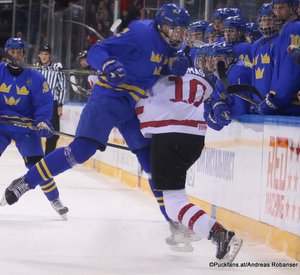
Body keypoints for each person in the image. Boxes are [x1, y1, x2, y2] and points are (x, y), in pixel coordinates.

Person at [0, 3, 194, 248]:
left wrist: (170, 68)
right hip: (108, 98)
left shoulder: (170, 47)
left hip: (132, 105)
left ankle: (174, 225)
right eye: (174, 29)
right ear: (162, 26)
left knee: (152, 161)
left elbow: (151, 69)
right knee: (81, 151)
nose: (179, 35)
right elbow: (96, 51)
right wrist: (107, 64)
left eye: (182, 30)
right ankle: (26, 182)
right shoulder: (141, 34)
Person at [135, 66, 243, 263]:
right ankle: (191, 229)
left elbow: (135, 104)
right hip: (195, 137)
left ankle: (219, 233)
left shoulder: (148, 70)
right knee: (175, 198)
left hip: (168, 133)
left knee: (174, 203)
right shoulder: (196, 73)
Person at [0, 38, 68, 219]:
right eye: (12, 52)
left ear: (24, 54)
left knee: (37, 166)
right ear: (7, 53)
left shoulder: (35, 77)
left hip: (27, 129)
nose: (16, 55)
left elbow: (44, 103)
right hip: (1, 126)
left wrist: (42, 121)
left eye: (19, 52)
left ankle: (55, 199)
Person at [256, 0, 300, 116]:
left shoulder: (293, 29)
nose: (277, 12)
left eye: (281, 8)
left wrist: (275, 100)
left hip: (290, 105)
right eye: (275, 8)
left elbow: (290, 71)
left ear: (293, 8)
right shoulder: (286, 29)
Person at [36, 44, 66, 155]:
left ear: (50, 55)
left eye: (46, 54)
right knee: (34, 130)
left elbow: (62, 87)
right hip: (37, 103)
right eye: (42, 54)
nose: (44, 56)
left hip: (52, 103)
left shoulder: (57, 68)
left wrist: (60, 105)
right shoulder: (35, 68)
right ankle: (35, 156)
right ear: (39, 55)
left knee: (54, 133)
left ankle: (47, 158)